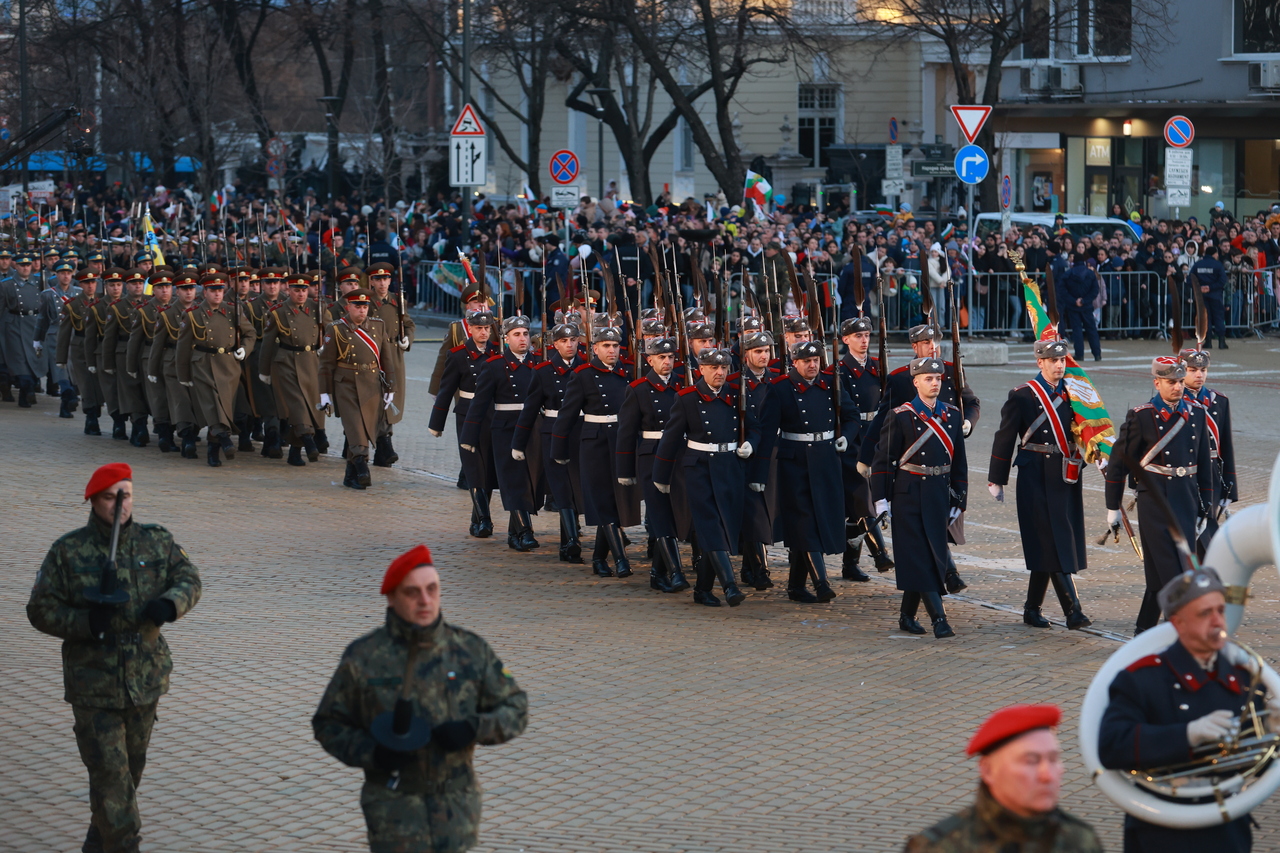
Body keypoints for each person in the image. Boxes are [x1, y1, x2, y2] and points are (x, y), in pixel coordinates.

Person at [26, 463, 202, 853]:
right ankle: (123, 844)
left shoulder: (156, 542)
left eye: (126, 495)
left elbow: (189, 578)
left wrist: (169, 606)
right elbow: (39, 609)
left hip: (145, 679)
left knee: (129, 772)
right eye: (110, 497)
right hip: (94, 684)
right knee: (110, 775)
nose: (120, 505)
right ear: (93, 501)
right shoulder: (68, 551)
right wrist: (86, 622)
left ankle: (98, 837)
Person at [312, 545, 528, 853]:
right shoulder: (364, 657)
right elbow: (328, 724)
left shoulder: (469, 651)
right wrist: (372, 753)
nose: (425, 600)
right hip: (394, 811)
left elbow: (516, 708)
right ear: (392, 597)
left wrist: (474, 727)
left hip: (455, 811)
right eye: (413, 592)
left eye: (432, 589)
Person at [1099, 567, 1274, 852]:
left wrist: (1272, 732)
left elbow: (1257, 764)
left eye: (1220, 609)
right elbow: (1112, 746)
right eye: (1205, 613)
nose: (1218, 621)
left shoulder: (1245, 679)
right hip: (1162, 831)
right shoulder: (1141, 678)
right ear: (1178, 623)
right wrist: (1187, 735)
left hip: (1226, 830)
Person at [987, 340, 1091, 629]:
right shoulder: (1023, 395)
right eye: (1053, 360)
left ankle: (1032, 609)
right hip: (1035, 474)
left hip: (1065, 474)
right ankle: (1073, 611)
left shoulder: (1075, 394)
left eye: (1062, 360)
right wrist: (997, 477)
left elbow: (1090, 427)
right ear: (1040, 362)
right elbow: (1005, 436)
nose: (1059, 365)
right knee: (1051, 541)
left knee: (1052, 542)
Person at [1105, 357, 1213, 633]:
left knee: (1159, 576)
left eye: (1179, 381)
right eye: (1171, 382)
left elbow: (1203, 465)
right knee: (1174, 571)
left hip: (1187, 500)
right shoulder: (1141, 415)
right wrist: (1112, 506)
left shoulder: (1197, 413)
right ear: (1157, 383)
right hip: (1155, 500)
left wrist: (1205, 508)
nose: (1178, 387)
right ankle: (1179, 633)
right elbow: (1119, 463)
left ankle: (1144, 630)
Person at [905, 703, 1102, 852]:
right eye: (1031, 761)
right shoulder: (939, 847)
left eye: (1053, 759)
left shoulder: (1079, 840)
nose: (1048, 775)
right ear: (988, 770)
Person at [653, 348, 761, 607]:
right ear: (701, 369)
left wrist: (751, 444)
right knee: (711, 526)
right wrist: (661, 475)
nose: (720, 373)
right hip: (699, 469)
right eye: (714, 368)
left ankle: (702, 589)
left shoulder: (737, 395)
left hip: (730, 467)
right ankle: (730, 586)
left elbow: (756, 427)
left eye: (724, 368)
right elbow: (670, 438)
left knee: (724, 527)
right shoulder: (687, 398)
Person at [872, 356, 968, 638]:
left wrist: (959, 500)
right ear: (916, 382)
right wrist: (881, 499)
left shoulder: (951, 415)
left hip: (938, 492)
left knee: (927, 553)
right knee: (921, 555)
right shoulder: (900, 415)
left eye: (938, 379)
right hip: (908, 492)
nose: (935, 383)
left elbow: (959, 464)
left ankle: (906, 615)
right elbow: (883, 460)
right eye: (928, 379)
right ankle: (940, 619)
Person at [760, 340, 851, 604]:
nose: (813, 365)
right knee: (805, 521)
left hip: (825, 461)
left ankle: (796, 586)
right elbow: (767, 432)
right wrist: (758, 472)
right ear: (795, 363)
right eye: (807, 361)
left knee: (814, 520)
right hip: (794, 463)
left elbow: (851, 415)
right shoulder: (779, 388)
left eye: (816, 361)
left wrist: (846, 436)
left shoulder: (831, 383)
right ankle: (821, 583)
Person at [551, 325, 641, 578]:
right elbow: (567, 414)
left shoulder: (628, 372)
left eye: (615, 346)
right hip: (595, 442)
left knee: (616, 501)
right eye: (606, 346)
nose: (612, 350)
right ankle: (621, 559)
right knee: (602, 499)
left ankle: (599, 558)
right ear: (595, 348)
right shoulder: (582, 374)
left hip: (622, 441)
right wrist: (559, 448)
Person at [617, 336, 691, 593]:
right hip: (650, 456)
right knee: (659, 514)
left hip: (679, 456)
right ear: (650, 360)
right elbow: (626, 433)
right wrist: (625, 470)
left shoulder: (683, 386)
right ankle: (675, 572)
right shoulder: (637, 389)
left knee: (674, 513)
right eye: (661, 357)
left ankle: (657, 573)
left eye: (671, 357)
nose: (667, 362)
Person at [461, 315, 542, 551]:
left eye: (526, 333)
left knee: (529, 481)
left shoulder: (538, 363)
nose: (523, 338)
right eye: (517, 334)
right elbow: (479, 404)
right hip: (505, 428)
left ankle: (514, 533)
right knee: (514, 480)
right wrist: (469, 437)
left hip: (533, 428)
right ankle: (525, 531)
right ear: (506, 339)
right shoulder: (494, 365)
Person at [514, 323, 586, 563]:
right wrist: (518, 443)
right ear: (554, 344)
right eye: (564, 341)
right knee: (561, 487)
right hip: (553, 432)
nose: (569, 345)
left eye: (573, 340)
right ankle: (571, 541)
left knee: (577, 486)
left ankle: (570, 541)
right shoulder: (544, 371)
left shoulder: (586, 367)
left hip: (582, 431)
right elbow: (530, 409)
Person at [318, 287, 396, 489]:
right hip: (346, 385)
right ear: (348, 306)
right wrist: (324, 393)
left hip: (371, 384)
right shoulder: (336, 328)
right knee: (354, 426)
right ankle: (362, 466)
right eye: (357, 306)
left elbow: (387, 359)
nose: (362, 310)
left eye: (365, 306)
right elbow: (326, 364)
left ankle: (350, 475)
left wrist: (391, 388)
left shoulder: (378, 326)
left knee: (366, 426)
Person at [177, 272, 256, 468]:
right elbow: (183, 346)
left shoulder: (233, 310)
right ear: (205, 292)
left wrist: (244, 350)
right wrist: (183, 375)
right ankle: (225, 439)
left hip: (228, 365)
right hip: (203, 364)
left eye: (220, 290)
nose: (218, 294)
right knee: (213, 404)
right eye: (213, 290)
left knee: (223, 406)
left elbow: (250, 333)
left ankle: (214, 450)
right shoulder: (192, 315)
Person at [430, 309, 499, 533]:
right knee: (472, 466)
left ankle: (478, 518)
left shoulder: (497, 353)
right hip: (467, 414)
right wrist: (436, 423)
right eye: (479, 328)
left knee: (487, 467)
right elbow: (446, 389)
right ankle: (485, 519)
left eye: (487, 328)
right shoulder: (458, 355)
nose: (484, 332)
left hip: (491, 413)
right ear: (470, 328)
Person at [836, 316, 893, 578]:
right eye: (858, 336)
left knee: (856, 509)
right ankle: (880, 553)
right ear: (846, 339)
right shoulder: (840, 370)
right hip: (853, 439)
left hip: (877, 436)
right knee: (862, 497)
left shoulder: (877, 367)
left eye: (867, 336)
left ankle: (850, 564)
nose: (863, 340)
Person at [257, 271, 326, 467]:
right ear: (288, 290)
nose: (301, 294)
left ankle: (295, 452)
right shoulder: (278, 312)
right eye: (297, 290)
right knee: (297, 404)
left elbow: (331, 331)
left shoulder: (317, 308)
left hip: (312, 362)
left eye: (304, 290)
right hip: (286, 363)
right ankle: (308, 440)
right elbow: (268, 343)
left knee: (310, 405)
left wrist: (326, 346)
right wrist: (264, 371)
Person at [730, 329, 781, 590]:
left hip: (771, 453)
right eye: (758, 351)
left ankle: (750, 568)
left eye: (767, 351)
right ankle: (760, 569)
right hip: (746, 455)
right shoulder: (735, 382)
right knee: (754, 513)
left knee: (765, 511)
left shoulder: (777, 381)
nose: (764, 356)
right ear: (745, 354)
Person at [1179, 347, 1236, 555]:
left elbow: (1226, 447)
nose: (1199, 375)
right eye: (1192, 369)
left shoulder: (1218, 401)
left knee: (1208, 529)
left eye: (1203, 370)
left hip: (1212, 476)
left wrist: (1231, 487)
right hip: (1186, 474)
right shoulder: (1175, 402)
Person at [147, 271, 202, 459]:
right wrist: (153, 370)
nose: (189, 293)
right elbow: (158, 343)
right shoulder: (167, 314)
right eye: (184, 289)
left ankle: (191, 432)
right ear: (177, 291)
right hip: (173, 361)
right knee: (181, 401)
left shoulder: (203, 311)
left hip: (197, 361)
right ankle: (186, 437)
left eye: (192, 288)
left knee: (196, 400)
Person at [367, 262, 414, 467]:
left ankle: (383, 445)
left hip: (394, 354)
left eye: (385, 279)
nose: (382, 283)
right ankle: (384, 444)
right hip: (374, 355)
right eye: (378, 279)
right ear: (372, 281)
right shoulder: (366, 302)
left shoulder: (397, 300)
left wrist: (407, 339)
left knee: (392, 397)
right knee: (377, 400)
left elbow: (409, 324)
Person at [126, 270, 175, 452]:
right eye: (160, 287)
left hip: (172, 356)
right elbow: (135, 340)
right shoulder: (145, 311)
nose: (164, 291)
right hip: (149, 356)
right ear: (153, 290)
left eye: (168, 287)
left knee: (174, 396)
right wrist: (131, 366)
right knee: (158, 397)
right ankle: (164, 435)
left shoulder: (178, 308)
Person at [57, 269, 106, 434]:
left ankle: (98, 411)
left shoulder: (104, 302)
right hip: (81, 347)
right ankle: (91, 417)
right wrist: (61, 358)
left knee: (100, 384)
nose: (91, 286)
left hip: (101, 347)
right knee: (86, 384)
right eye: (86, 283)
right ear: (80, 284)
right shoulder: (72, 305)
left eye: (93, 282)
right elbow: (64, 333)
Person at [36, 258, 82, 418]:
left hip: (75, 336)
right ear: (56, 275)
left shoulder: (78, 293)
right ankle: (68, 395)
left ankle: (67, 402)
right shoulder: (48, 294)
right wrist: (37, 340)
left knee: (73, 369)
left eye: (68, 273)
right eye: (62, 273)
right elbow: (42, 319)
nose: (65, 276)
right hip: (55, 335)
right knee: (60, 369)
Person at [0, 251, 47, 408]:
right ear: (16, 265)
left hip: (35, 323)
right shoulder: (6, 284)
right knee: (19, 359)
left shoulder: (41, 282)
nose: (26, 268)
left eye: (28, 265)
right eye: (22, 265)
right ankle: (26, 388)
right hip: (14, 324)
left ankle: (27, 390)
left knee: (34, 358)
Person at [1059, 252, 1102, 362]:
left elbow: (1062, 291)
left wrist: (1074, 301)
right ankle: (1097, 354)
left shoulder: (1068, 274)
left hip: (1073, 307)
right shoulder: (1090, 274)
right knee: (1092, 330)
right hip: (1087, 306)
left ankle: (1079, 354)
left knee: (1077, 331)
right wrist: (1084, 300)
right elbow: (1095, 290)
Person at [1189, 244, 1228, 349]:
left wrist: (1200, 288)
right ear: (1214, 254)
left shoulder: (1197, 264)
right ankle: (1221, 342)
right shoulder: (1218, 265)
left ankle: (1208, 341)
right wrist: (1210, 287)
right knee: (1219, 317)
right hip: (1215, 295)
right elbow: (1223, 280)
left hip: (1201, 296)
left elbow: (1190, 279)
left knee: (1205, 318)